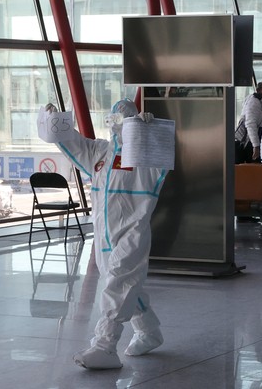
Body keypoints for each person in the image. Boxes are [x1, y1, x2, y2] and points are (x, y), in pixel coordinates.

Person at [44, 99, 168, 369]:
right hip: (103, 234)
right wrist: (55, 123)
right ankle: (149, 332)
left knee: (119, 282)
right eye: (114, 120)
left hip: (132, 230)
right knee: (123, 284)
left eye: (124, 121)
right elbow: (73, 143)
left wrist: (149, 132)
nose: (117, 126)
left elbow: (163, 156)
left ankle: (105, 346)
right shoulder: (100, 153)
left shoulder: (145, 155)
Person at [235, 80, 262, 163]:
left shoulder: (260, 102)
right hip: (249, 142)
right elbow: (250, 124)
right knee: (253, 167)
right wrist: (256, 146)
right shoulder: (254, 102)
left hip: (252, 141)